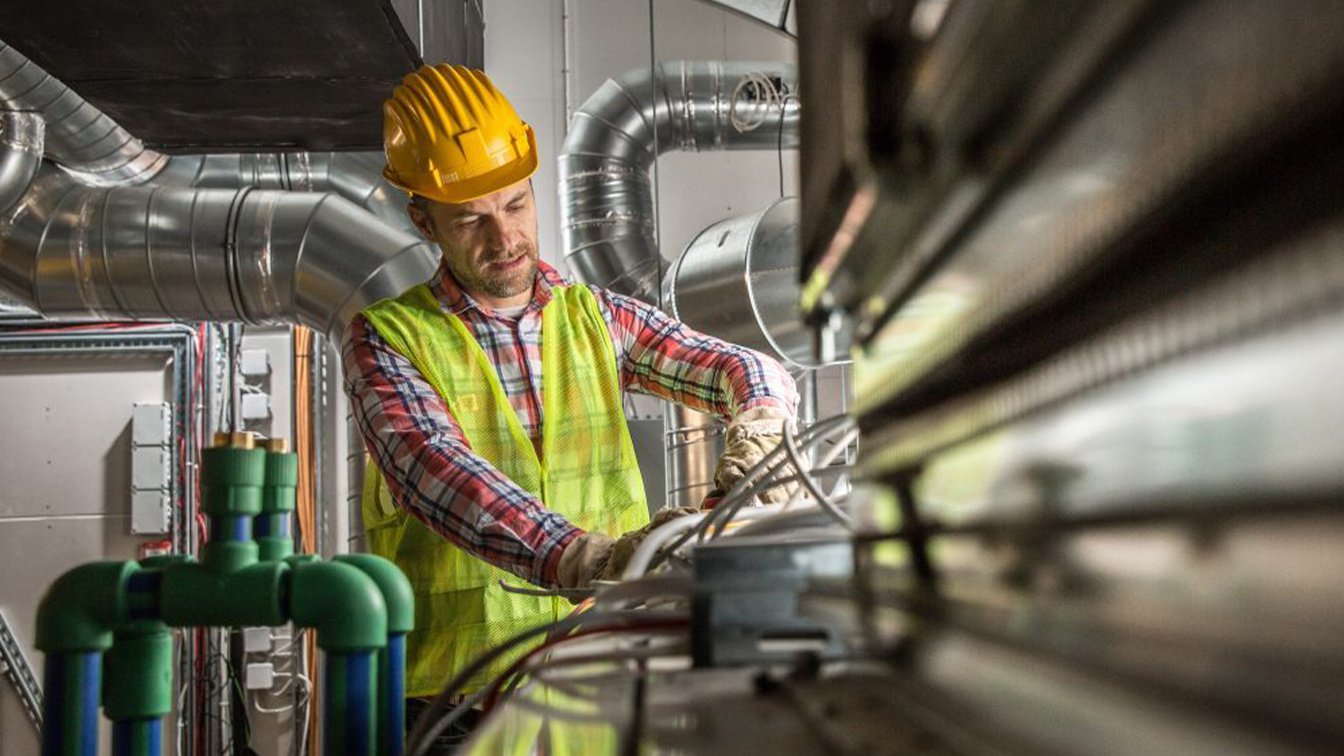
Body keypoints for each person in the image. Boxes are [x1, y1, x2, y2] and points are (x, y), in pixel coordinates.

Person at [342, 63, 798, 749]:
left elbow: (742, 365)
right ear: (422, 219)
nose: (504, 239)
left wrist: (761, 424)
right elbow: (436, 472)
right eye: (471, 219)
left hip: (598, 675)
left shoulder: (597, 317)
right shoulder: (387, 339)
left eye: (515, 205)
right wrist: (598, 558)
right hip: (458, 701)